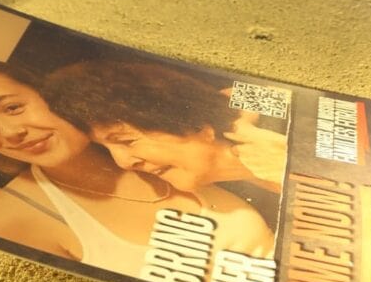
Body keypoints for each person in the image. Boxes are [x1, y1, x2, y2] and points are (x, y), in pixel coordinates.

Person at [0, 55, 275, 273]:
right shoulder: (5, 218)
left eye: (12, 107)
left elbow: (270, 98)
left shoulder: (146, 130)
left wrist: (248, 124)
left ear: (47, 93)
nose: (8, 132)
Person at [41, 58, 289, 231]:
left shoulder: (270, 109)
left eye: (127, 141)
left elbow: (293, 99)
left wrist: (295, 162)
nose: (123, 162)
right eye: (106, 148)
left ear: (196, 125)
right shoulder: (221, 203)